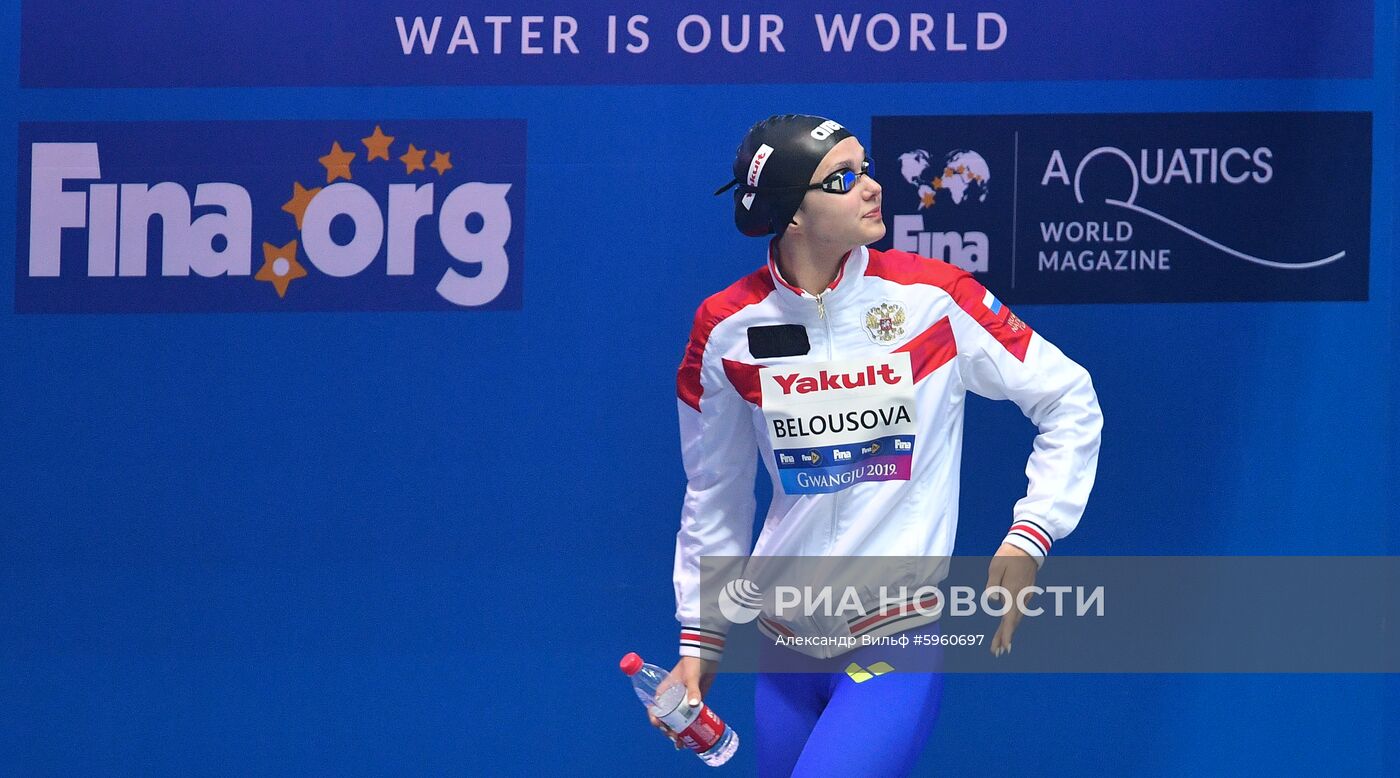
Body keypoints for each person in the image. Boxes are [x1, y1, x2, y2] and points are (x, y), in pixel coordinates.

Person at [647, 115, 1103, 776]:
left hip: (892, 645)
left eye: (865, 168)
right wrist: (701, 636)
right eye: (843, 178)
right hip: (783, 657)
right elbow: (715, 490)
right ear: (791, 214)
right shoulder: (727, 328)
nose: (873, 187)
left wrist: (1033, 529)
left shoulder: (933, 299)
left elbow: (1068, 395)